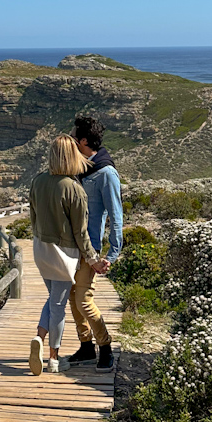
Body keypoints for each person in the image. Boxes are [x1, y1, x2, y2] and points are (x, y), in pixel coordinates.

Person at [28, 134, 110, 375]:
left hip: (40, 249)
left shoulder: (38, 181)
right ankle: (53, 359)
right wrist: (94, 260)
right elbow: (80, 233)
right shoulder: (73, 188)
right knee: (58, 305)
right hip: (63, 254)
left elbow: (32, 219)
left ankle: (39, 338)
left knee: (53, 298)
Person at [67, 115, 123, 373]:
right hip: (71, 245)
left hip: (90, 248)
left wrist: (111, 255)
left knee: (84, 300)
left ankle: (106, 347)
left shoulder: (106, 172)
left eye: (76, 139)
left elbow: (116, 215)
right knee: (72, 298)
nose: (74, 143)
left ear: (85, 141)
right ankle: (86, 345)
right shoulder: (82, 168)